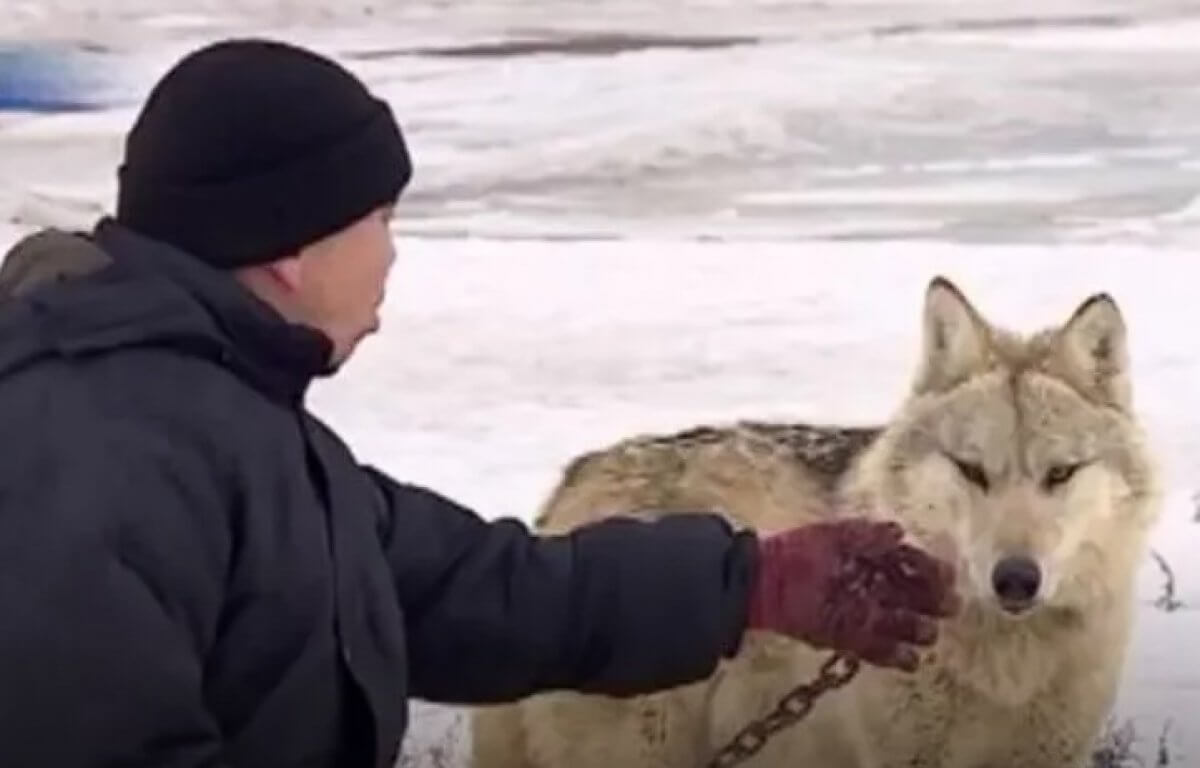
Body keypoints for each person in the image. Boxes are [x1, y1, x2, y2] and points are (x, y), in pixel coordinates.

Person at [0, 39, 960, 768]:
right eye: (379, 219)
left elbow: (469, 592)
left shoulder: (233, 427)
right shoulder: (94, 455)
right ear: (290, 247)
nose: (392, 253)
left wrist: (750, 584)